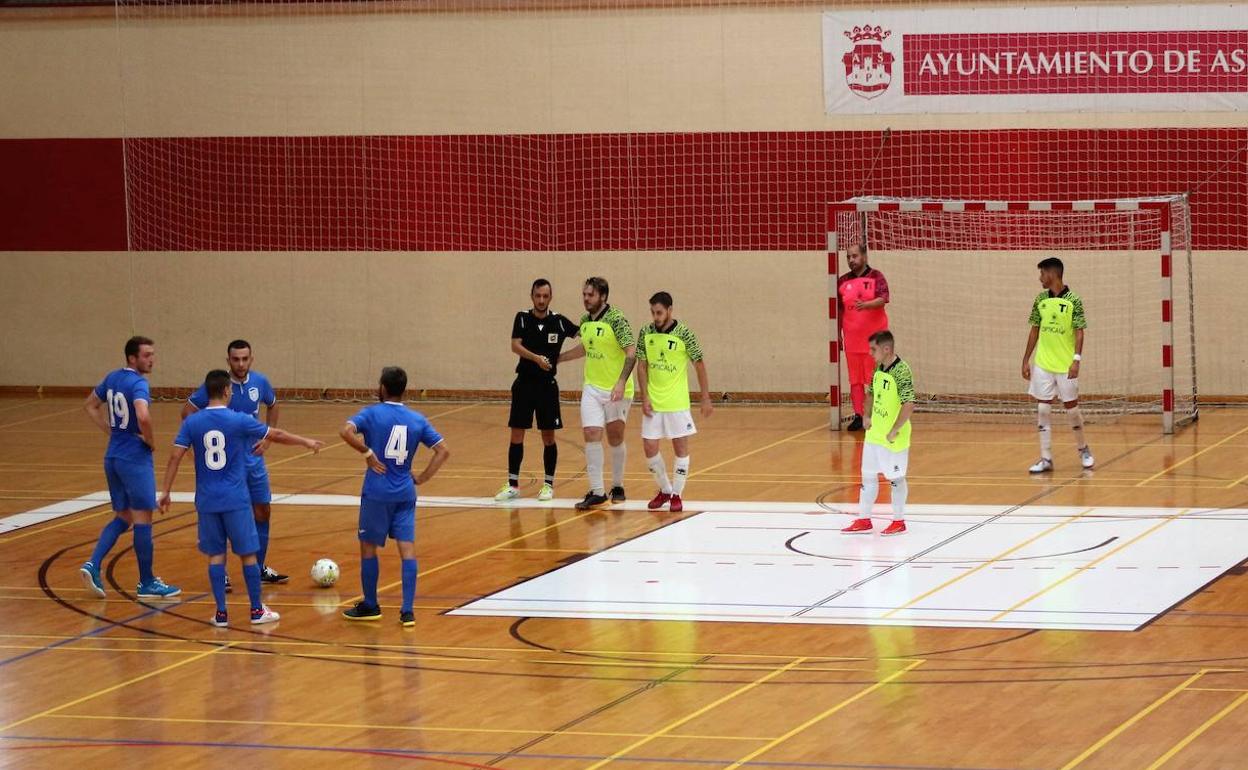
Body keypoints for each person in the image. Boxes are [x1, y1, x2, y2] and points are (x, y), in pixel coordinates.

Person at [159, 369, 323, 626]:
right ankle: (256, 610)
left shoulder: (192, 423)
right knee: (247, 555)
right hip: (235, 499)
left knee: (216, 556)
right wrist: (306, 442)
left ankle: (221, 613)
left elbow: (174, 456)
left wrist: (166, 491)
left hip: (206, 500)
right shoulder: (238, 420)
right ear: (226, 391)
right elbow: (276, 435)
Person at [339, 367, 450, 626]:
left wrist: (367, 453)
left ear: (383, 387)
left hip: (377, 492)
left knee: (368, 548)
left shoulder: (370, 414)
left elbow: (344, 431)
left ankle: (370, 605)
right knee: (407, 549)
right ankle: (407, 611)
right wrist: (422, 478)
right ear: (404, 389)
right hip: (405, 492)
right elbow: (443, 451)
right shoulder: (417, 419)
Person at [80, 336, 180, 599]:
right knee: (143, 519)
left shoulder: (112, 378)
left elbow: (90, 405)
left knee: (123, 516)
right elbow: (143, 415)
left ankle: (92, 563)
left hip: (112, 457)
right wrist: (149, 440)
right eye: (147, 355)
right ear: (132, 358)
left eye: (152, 354)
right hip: (134, 459)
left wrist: (111, 432)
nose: (151, 359)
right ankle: (146, 582)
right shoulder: (138, 383)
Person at [183, 340, 287, 587]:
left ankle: (259, 568)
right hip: (227, 466)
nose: (240, 363)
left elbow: (273, 405)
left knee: (263, 510)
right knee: (227, 515)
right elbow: (187, 411)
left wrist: (267, 441)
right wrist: (199, 445)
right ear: (228, 360)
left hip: (253, 460)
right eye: (235, 359)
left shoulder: (260, 382)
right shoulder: (219, 386)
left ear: (251, 359)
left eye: (245, 359)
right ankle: (224, 573)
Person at [495, 279, 579, 503]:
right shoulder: (522, 317)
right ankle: (513, 484)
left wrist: (559, 359)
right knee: (516, 434)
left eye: (545, 296)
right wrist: (536, 359)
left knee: (548, 437)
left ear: (551, 297)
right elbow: (515, 345)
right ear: (531, 296)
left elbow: (586, 339)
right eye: (537, 296)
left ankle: (548, 485)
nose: (541, 300)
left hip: (547, 388)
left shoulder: (559, 322)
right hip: (524, 384)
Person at [558, 277, 636, 510]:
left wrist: (621, 382)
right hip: (592, 388)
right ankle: (598, 491)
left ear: (602, 296)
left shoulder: (617, 319)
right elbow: (586, 346)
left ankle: (618, 485)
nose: (585, 298)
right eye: (584, 294)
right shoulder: (584, 320)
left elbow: (631, 352)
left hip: (616, 390)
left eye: (590, 295)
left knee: (614, 437)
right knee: (591, 433)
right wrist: (560, 359)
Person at [636, 292, 712, 513]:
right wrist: (645, 396)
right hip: (654, 402)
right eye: (652, 312)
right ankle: (665, 489)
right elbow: (642, 365)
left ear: (670, 310)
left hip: (677, 403)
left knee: (680, 448)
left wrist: (705, 396)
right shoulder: (646, 332)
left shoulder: (684, 333)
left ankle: (677, 494)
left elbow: (699, 364)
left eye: (659, 312)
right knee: (649, 447)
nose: (655, 317)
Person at [1021, 257, 1094, 473]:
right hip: (1043, 363)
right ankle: (1046, 458)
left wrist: (1076, 360)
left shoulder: (1074, 300)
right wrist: (1026, 359)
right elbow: (1034, 329)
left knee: (1072, 410)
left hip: (1065, 365)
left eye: (1042, 273)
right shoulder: (1040, 300)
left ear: (1052, 274)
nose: (1040, 278)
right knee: (1043, 409)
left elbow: (1079, 332)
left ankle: (1083, 449)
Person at [842, 330, 913, 536]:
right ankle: (864, 519)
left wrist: (895, 429)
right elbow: (871, 393)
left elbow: (909, 404)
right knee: (868, 477)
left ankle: (899, 521)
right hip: (874, 434)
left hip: (893, 437)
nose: (870, 353)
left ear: (886, 349)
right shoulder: (878, 367)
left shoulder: (902, 371)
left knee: (896, 478)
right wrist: (866, 415)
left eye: (873, 349)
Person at [838, 244, 891, 431]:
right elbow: (838, 310)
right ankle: (859, 416)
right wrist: (838, 335)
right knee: (855, 380)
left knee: (876, 379)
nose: (851, 260)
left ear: (864, 257)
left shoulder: (877, 276)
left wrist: (867, 305)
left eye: (855, 256)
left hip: (875, 342)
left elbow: (884, 298)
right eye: (848, 257)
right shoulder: (842, 281)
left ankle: (878, 415)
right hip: (852, 340)